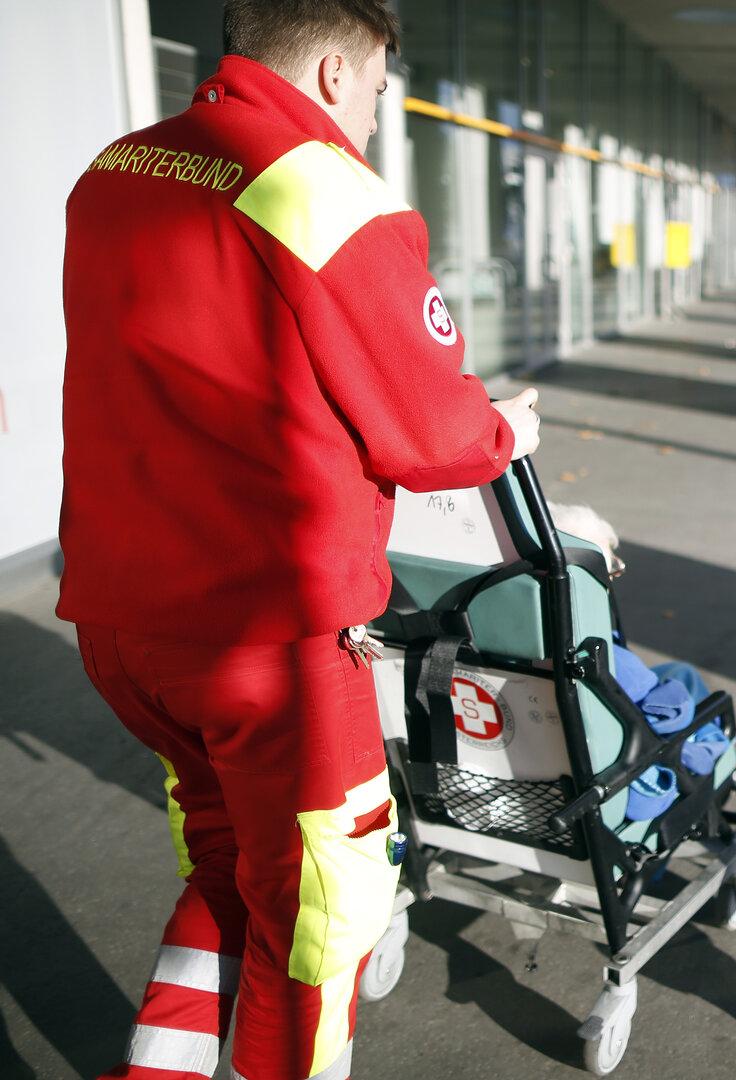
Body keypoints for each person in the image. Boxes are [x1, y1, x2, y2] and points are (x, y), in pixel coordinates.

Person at [57, 2, 540, 1077]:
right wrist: (505, 429)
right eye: (376, 87)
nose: (373, 112)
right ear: (333, 67)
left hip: (122, 623)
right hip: (266, 642)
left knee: (231, 865)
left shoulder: (117, 171)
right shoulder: (319, 188)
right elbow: (431, 431)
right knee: (329, 910)